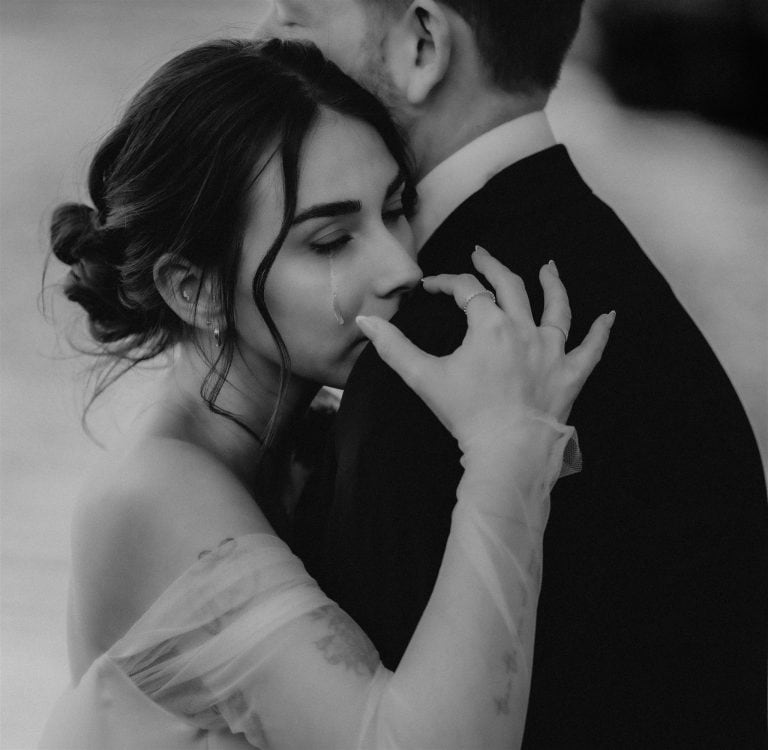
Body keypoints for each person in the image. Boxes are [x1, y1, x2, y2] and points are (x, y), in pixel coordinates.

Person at [38, 39, 613, 750]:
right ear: (196, 289)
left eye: (397, 208)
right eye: (333, 239)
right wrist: (507, 452)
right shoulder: (156, 491)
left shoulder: (299, 445)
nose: (400, 265)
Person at [259, 2, 768, 746]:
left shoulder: (438, 354)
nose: (267, 33)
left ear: (423, 43)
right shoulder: (619, 290)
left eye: (301, 19)